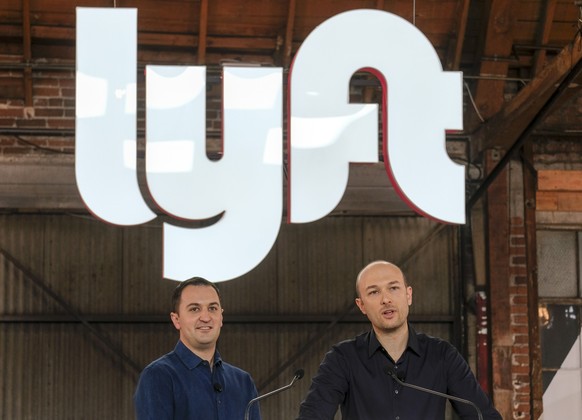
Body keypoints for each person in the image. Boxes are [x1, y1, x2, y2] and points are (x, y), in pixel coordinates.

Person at [297, 260, 502, 420]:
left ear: (408, 295)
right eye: (374, 292)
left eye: (393, 288)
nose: (386, 299)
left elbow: (483, 415)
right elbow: (313, 414)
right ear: (361, 306)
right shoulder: (343, 359)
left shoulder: (442, 355)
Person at [134, 277, 261, 420]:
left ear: (221, 317)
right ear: (176, 320)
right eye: (195, 309)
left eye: (212, 308)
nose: (206, 317)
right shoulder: (158, 376)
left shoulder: (243, 381)